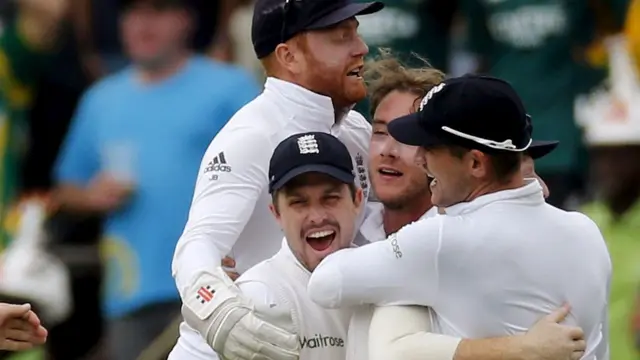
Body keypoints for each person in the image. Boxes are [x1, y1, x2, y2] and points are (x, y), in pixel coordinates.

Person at [308, 74, 611, 360]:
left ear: (476, 164)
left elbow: (326, 283)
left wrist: (516, 349)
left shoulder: (441, 238)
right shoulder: (586, 231)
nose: (419, 158)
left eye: (431, 148)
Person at [169, 0, 384, 359]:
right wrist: (219, 313)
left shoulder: (355, 130)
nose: (360, 47)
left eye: (356, 32)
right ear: (289, 57)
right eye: (340, 36)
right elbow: (196, 245)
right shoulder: (252, 134)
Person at [52, 0, 259, 358]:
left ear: (186, 20)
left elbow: (271, 170)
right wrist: (91, 196)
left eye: (157, 10)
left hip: (221, 286)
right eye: (132, 12)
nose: (142, 24)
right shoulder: (100, 99)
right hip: (130, 293)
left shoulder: (231, 87)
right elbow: (65, 189)